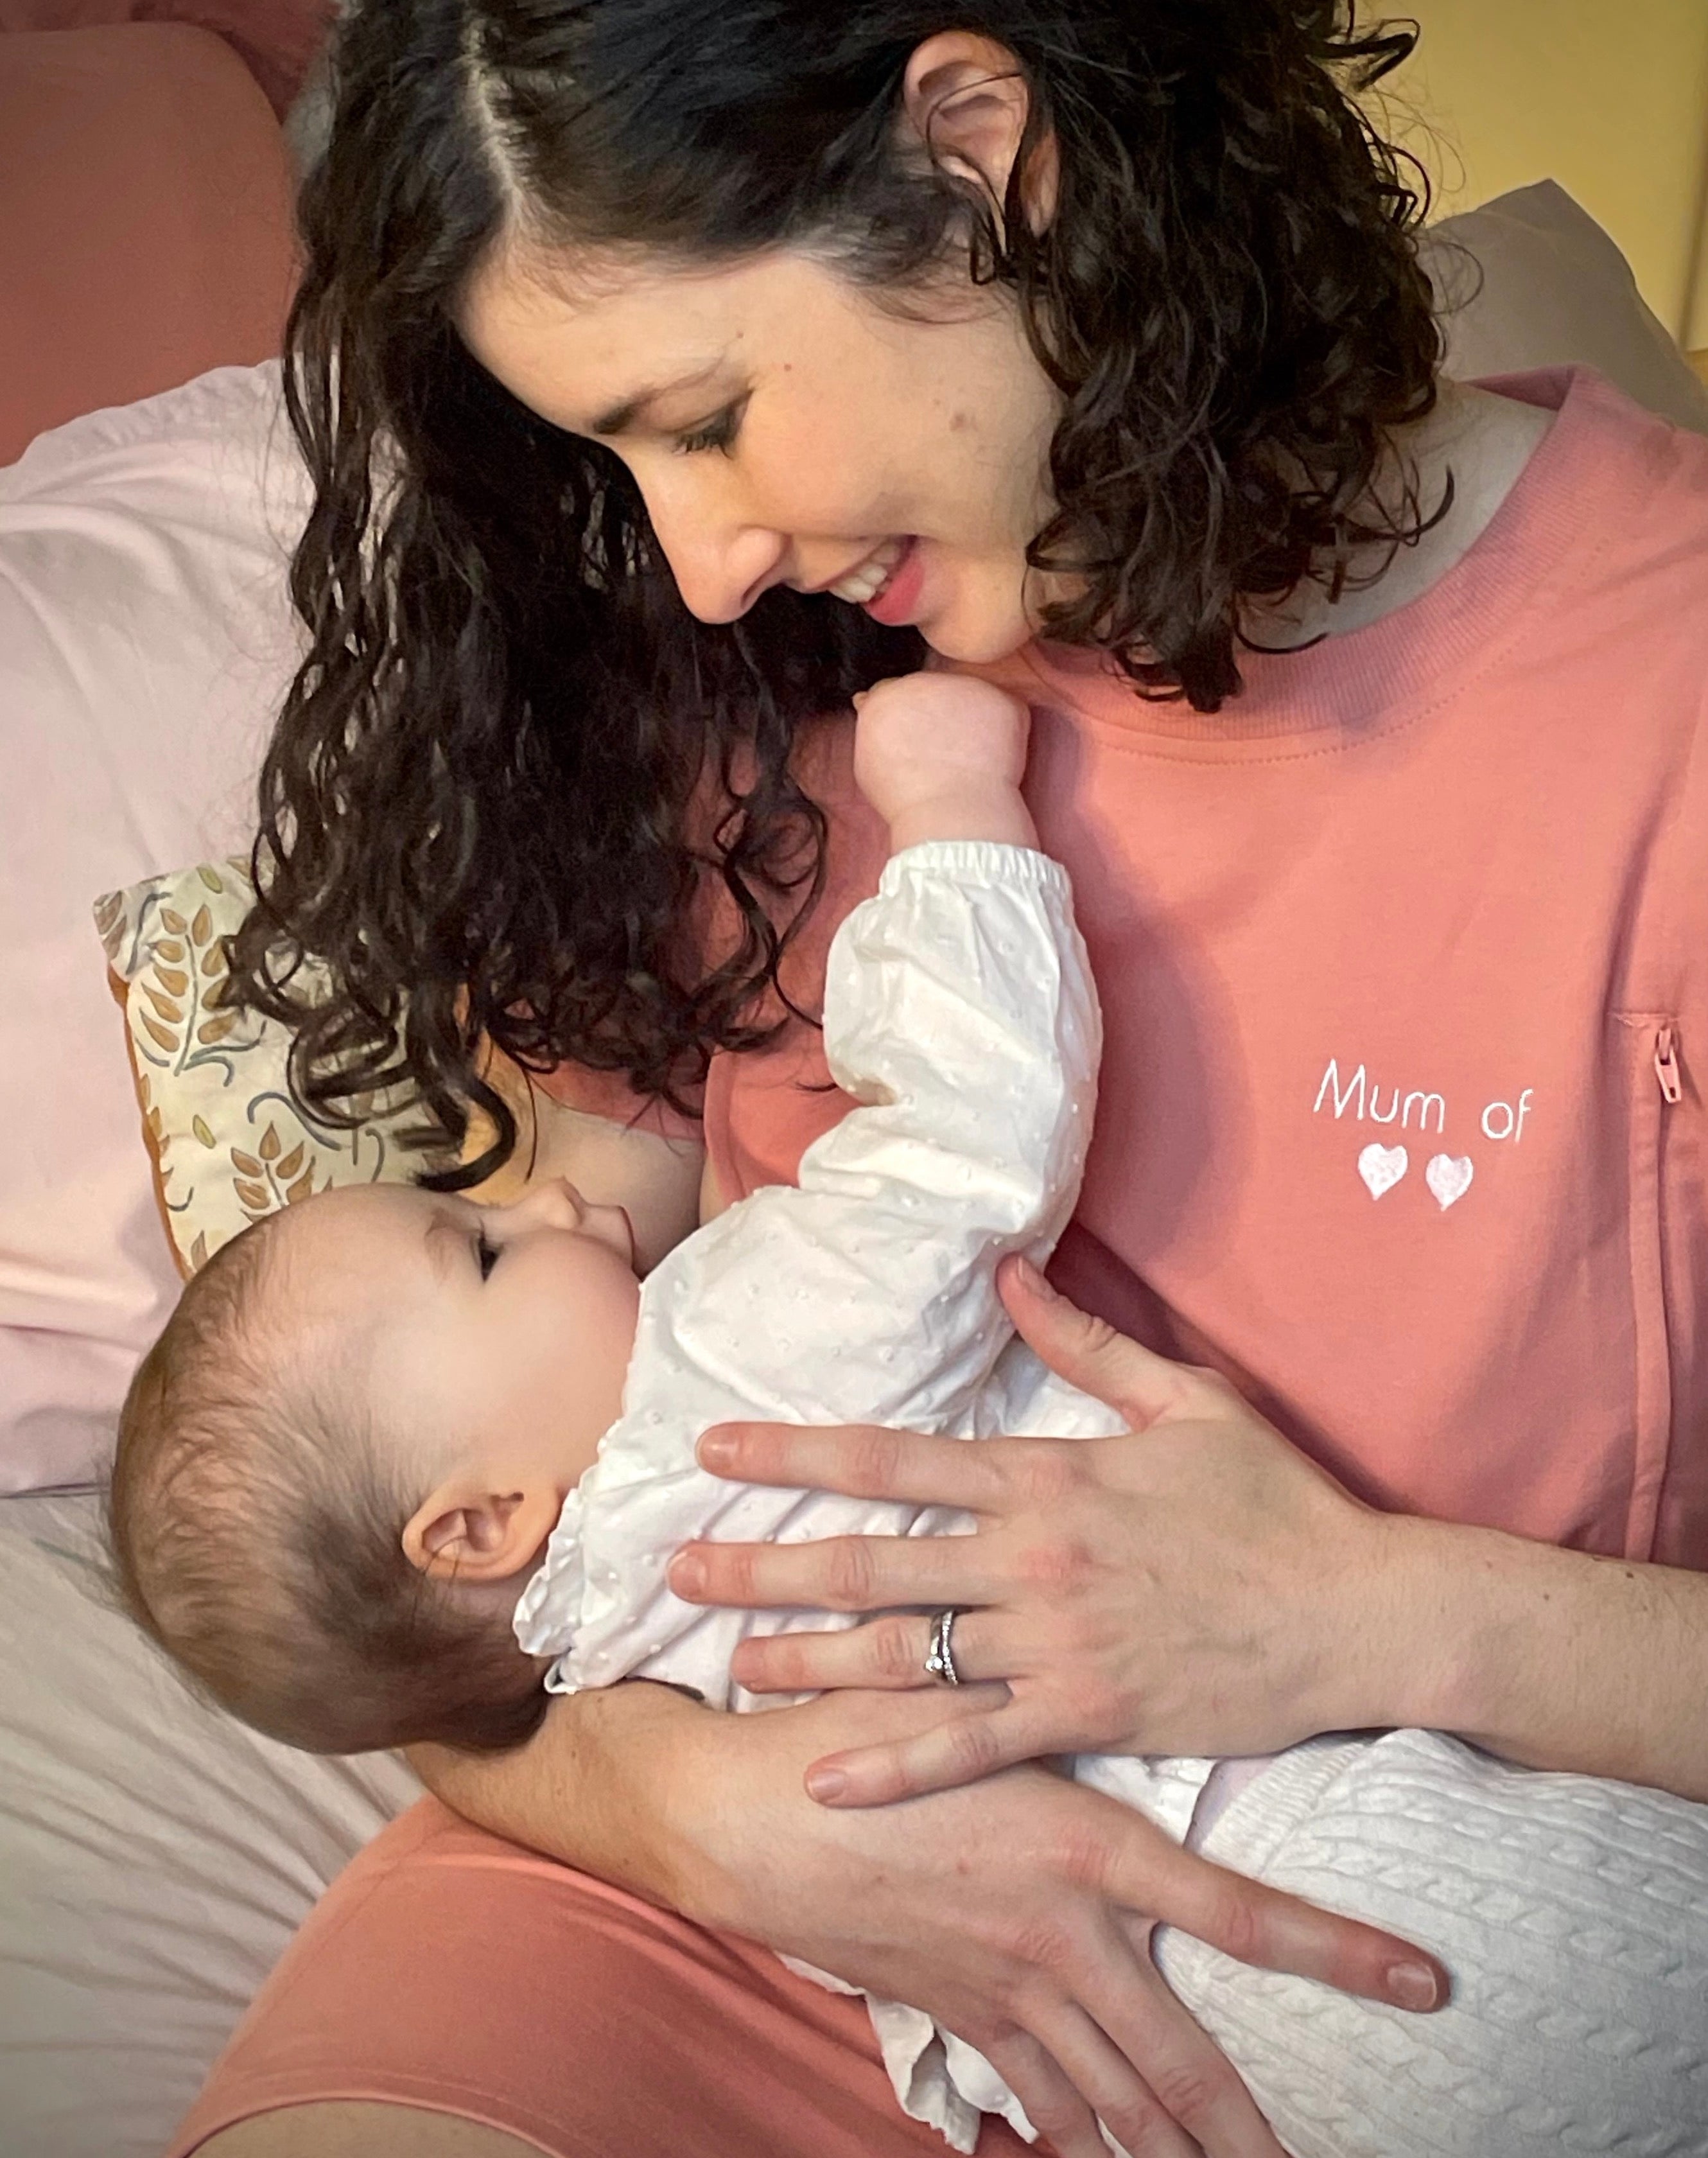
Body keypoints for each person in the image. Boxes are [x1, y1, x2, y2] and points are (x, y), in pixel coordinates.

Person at [170, 6, 1708, 2158]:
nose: (694, 555)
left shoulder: (1665, 700)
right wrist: (712, 1820)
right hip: (728, 1897)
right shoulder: (743, 675)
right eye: (617, 464)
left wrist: (1389, 1612)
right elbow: (440, 1565)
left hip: (1358, 1923)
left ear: (979, 153)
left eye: (704, 417)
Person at [128, 674, 1708, 2155]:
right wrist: (948, 804)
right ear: (475, 1524)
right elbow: (967, 1141)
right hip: (1345, 1852)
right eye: (475, 1248)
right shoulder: (721, 1372)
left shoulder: (578, 1634)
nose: (538, 1196)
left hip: (1137, 2029)